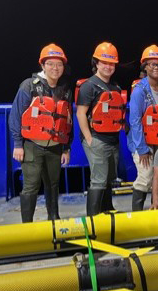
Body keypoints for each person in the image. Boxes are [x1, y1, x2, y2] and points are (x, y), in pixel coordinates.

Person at [9, 43, 73, 222]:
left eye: (59, 64)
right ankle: (27, 226)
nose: (55, 68)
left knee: (53, 184)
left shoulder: (65, 89)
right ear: (43, 65)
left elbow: (68, 120)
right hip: (32, 145)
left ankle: (54, 219)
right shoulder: (28, 86)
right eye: (51, 64)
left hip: (55, 146)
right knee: (31, 186)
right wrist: (17, 144)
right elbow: (15, 116)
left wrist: (66, 148)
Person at [76, 42, 126, 216]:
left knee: (109, 178)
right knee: (98, 180)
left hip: (113, 140)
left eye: (111, 63)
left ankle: (107, 209)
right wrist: (89, 139)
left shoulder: (116, 87)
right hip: (96, 139)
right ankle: (93, 218)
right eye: (104, 62)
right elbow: (81, 114)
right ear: (96, 63)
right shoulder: (88, 86)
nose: (108, 66)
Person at [127, 45, 158, 211]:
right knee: (145, 177)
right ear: (145, 66)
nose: (156, 68)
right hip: (145, 144)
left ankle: (157, 209)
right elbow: (134, 121)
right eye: (152, 64)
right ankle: (136, 216)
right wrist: (141, 148)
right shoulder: (139, 91)